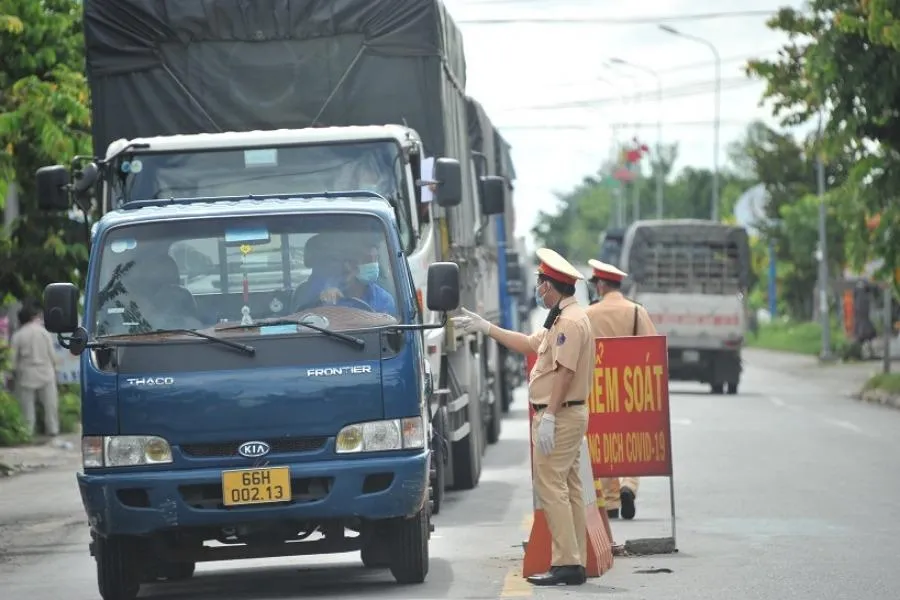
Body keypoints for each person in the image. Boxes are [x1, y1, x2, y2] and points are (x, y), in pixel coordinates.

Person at [452, 248, 593, 586]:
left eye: (541, 283)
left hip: (561, 414)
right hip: (566, 414)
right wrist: (487, 328)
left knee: (551, 486)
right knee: (569, 486)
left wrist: (550, 417)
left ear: (551, 286)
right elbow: (529, 344)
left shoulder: (570, 324)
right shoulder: (564, 319)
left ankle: (566, 564)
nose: (538, 289)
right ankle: (575, 560)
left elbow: (563, 374)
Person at [585, 259, 657, 521]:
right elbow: (653, 351)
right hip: (631, 387)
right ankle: (629, 486)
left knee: (605, 440)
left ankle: (611, 501)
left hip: (600, 389)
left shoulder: (589, 314)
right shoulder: (637, 312)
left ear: (601, 285)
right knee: (630, 441)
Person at [8, 301, 61, 438]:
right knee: (50, 407)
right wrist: (56, 371)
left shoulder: (18, 335)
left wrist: (11, 375)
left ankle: (27, 433)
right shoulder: (43, 332)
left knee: (27, 409)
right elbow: (53, 356)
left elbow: (12, 360)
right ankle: (52, 431)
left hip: (26, 374)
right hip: (46, 372)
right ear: (33, 317)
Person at [317, 243, 396, 316]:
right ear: (350, 265)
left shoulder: (384, 299)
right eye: (367, 260)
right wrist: (325, 300)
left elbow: (388, 327)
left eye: (376, 259)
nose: (373, 264)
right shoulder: (329, 290)